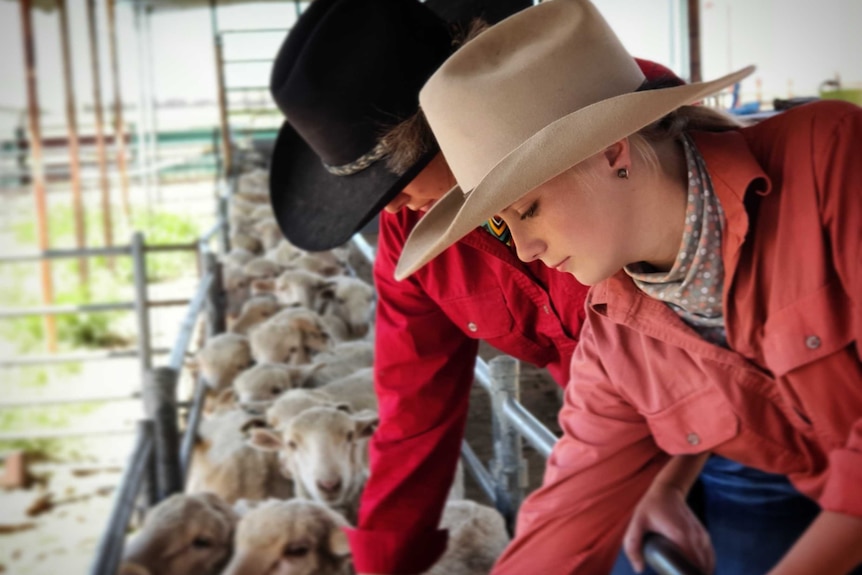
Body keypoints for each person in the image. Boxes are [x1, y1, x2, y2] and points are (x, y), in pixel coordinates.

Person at [396, 0, 862, 574]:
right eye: (505, 225)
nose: (524, 250)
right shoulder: (618, 332)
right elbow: (567, 515)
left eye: (530, 209)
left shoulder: (834, 164)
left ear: (612, 151)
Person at [265, 1, 700, 574]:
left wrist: (666, 476)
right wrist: (385, 563)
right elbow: (415, 402)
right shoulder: (411, 233)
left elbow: (705, 306)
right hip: (607, 437)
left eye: (390, 178)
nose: (386, 206)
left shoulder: (598, 137)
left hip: (737, 416)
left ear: (447, 120)